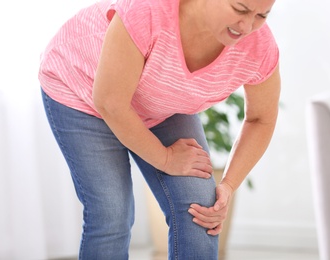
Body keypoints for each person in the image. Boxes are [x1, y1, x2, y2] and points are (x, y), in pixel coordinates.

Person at [38, 0, 280, 258]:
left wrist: (228, 185)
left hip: (158, 102)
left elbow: (260, 119)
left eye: (262, 15)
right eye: (239, 9)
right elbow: (111, 103)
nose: (247, 26)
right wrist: (165, 158)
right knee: (112, 212)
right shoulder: (147, 10)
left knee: (202, 209)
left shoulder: (258, 46)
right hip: (82, 89)